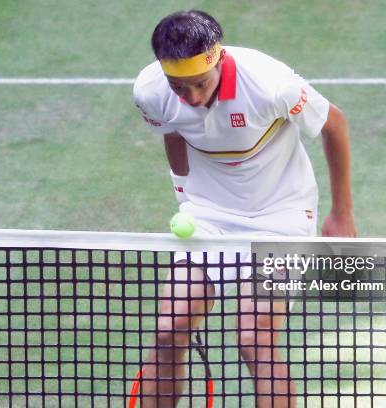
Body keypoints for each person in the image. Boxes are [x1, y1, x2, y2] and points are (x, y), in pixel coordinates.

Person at [133, 10, 356, 408]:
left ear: (218, 60)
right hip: (209, 217)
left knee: (255, 339)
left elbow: (334, 124)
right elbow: (172, 129)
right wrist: (186, 192)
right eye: (178, 87)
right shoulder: (150, 90)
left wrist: (342, 213)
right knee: (169, 331)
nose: (192, 98)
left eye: (200, 84)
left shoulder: (270, 85)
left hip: (281, 217)